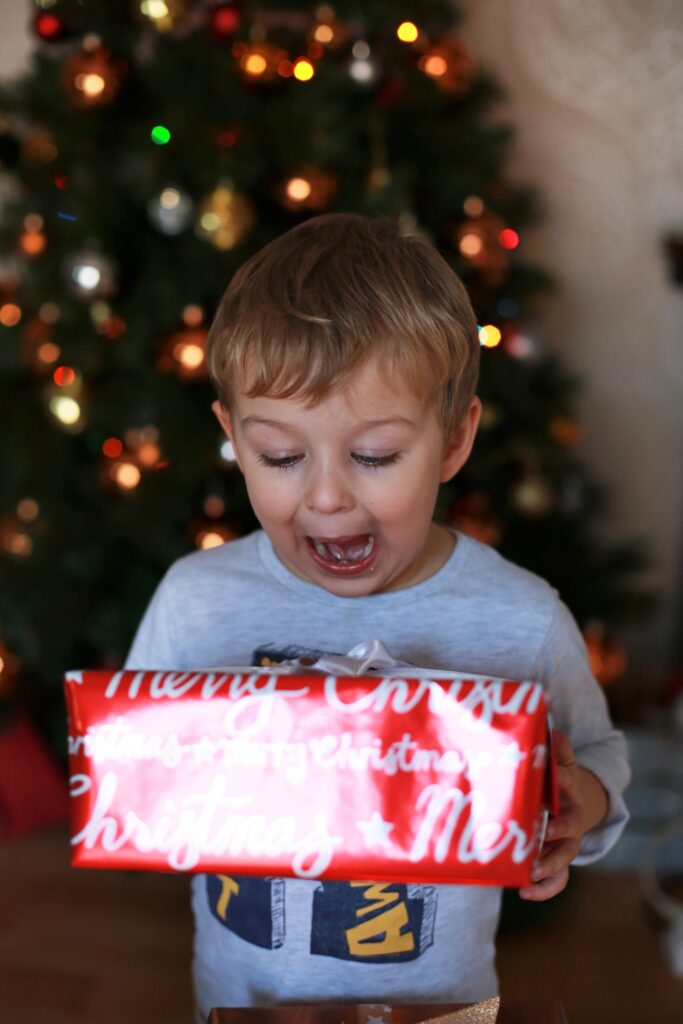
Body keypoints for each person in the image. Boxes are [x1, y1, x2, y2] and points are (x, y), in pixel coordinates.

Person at [123, 212, 630, 1021]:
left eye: (375, 456)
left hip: (436, 1004)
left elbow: (600, 751)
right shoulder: (195, 603)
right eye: (281, 457)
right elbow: (133, 771)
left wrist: (578, 801)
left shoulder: (519, 618)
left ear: (454, 440)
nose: (325, 496)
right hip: (245, 1002)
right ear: (232, 437)